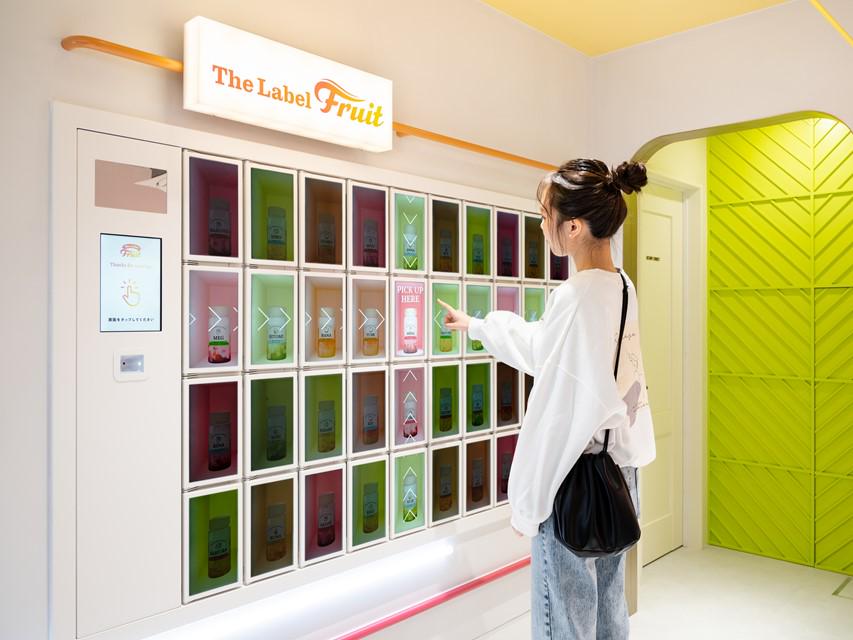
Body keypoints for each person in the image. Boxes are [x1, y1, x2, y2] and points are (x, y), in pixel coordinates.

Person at [438, 159, 656, 639]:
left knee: (565, 625)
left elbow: (556, 415)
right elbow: (549, 351)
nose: (541, 226)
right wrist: (478, 326)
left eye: (545, 215)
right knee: (609, 612)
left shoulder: (576, 297)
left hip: (575, 483)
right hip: (617, 475)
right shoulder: (622, 287)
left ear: (573, 226)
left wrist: (529, 502)